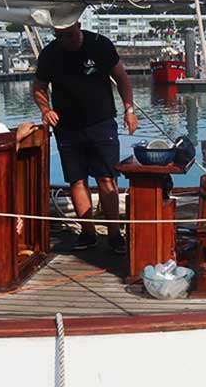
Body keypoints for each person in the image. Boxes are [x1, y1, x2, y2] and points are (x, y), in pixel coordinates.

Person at [33, 22, 139, 254]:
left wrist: (129, 110)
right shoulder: (50, 53)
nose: (66, 41)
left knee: (106, 178)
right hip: (68, 127)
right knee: (77, 181)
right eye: (60, 36)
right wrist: (45, 110)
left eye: (69, 35)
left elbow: (122, 78)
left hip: (101, 124)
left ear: (79, 27)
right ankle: (88, 233)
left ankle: (114, 234)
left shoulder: (100, 45)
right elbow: (39, 87)